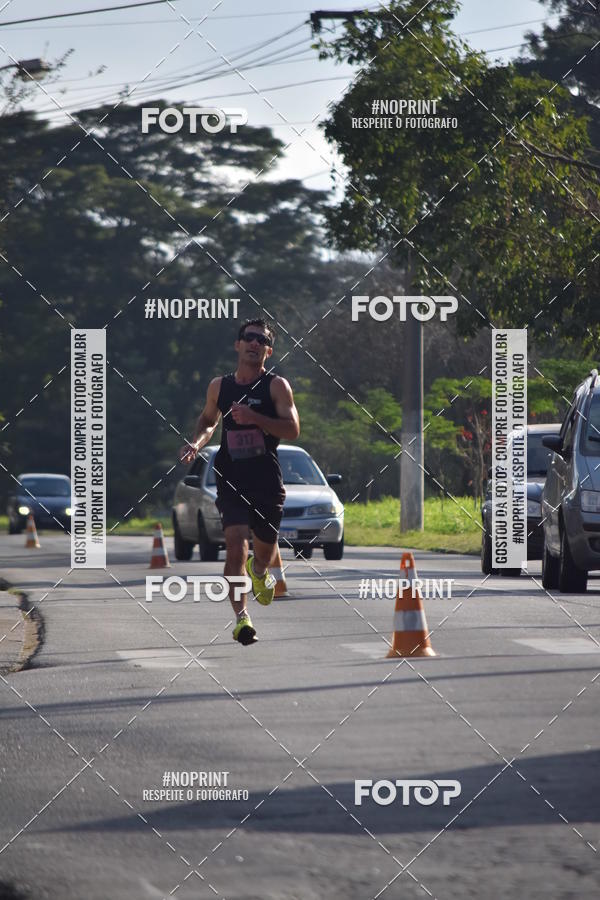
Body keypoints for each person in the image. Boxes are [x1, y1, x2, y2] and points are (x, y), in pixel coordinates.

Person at [180, 318, 300, 645]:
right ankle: (241, 619)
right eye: (248, 338)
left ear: (268, 351)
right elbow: (208, 420)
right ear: (237, 345)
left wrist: (255, 418)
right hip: (230, 474)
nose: (254, 344)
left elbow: (292, 429)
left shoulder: (277, 386)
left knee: (262, 552)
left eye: (261, 341)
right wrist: (197, 442)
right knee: (234, 545)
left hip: (265, 478)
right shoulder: (220, 386)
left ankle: (259, 571)